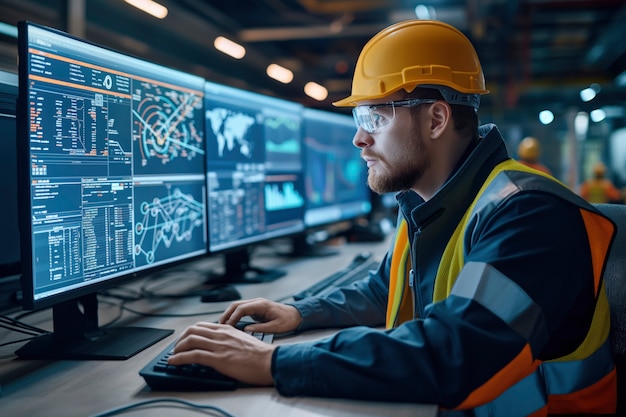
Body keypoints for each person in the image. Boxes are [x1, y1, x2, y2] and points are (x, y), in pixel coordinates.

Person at [168, 20, 617, 416]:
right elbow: (386, 287)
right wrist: (300, 312)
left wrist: (271, 363)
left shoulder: (530, 215)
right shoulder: (435, 203)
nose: (359, 139)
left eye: (374, 117)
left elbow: (456, 355)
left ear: (436, 119)